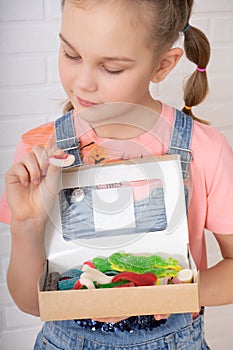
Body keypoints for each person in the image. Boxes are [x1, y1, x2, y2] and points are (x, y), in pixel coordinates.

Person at [1, 0, 233, 349]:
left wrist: (168, 294)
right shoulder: (40, 155)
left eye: (111, 68)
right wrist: (26, 224)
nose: (82, 83)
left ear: (163, 65)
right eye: (71, 54)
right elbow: (31, 302)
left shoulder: (205, 150)